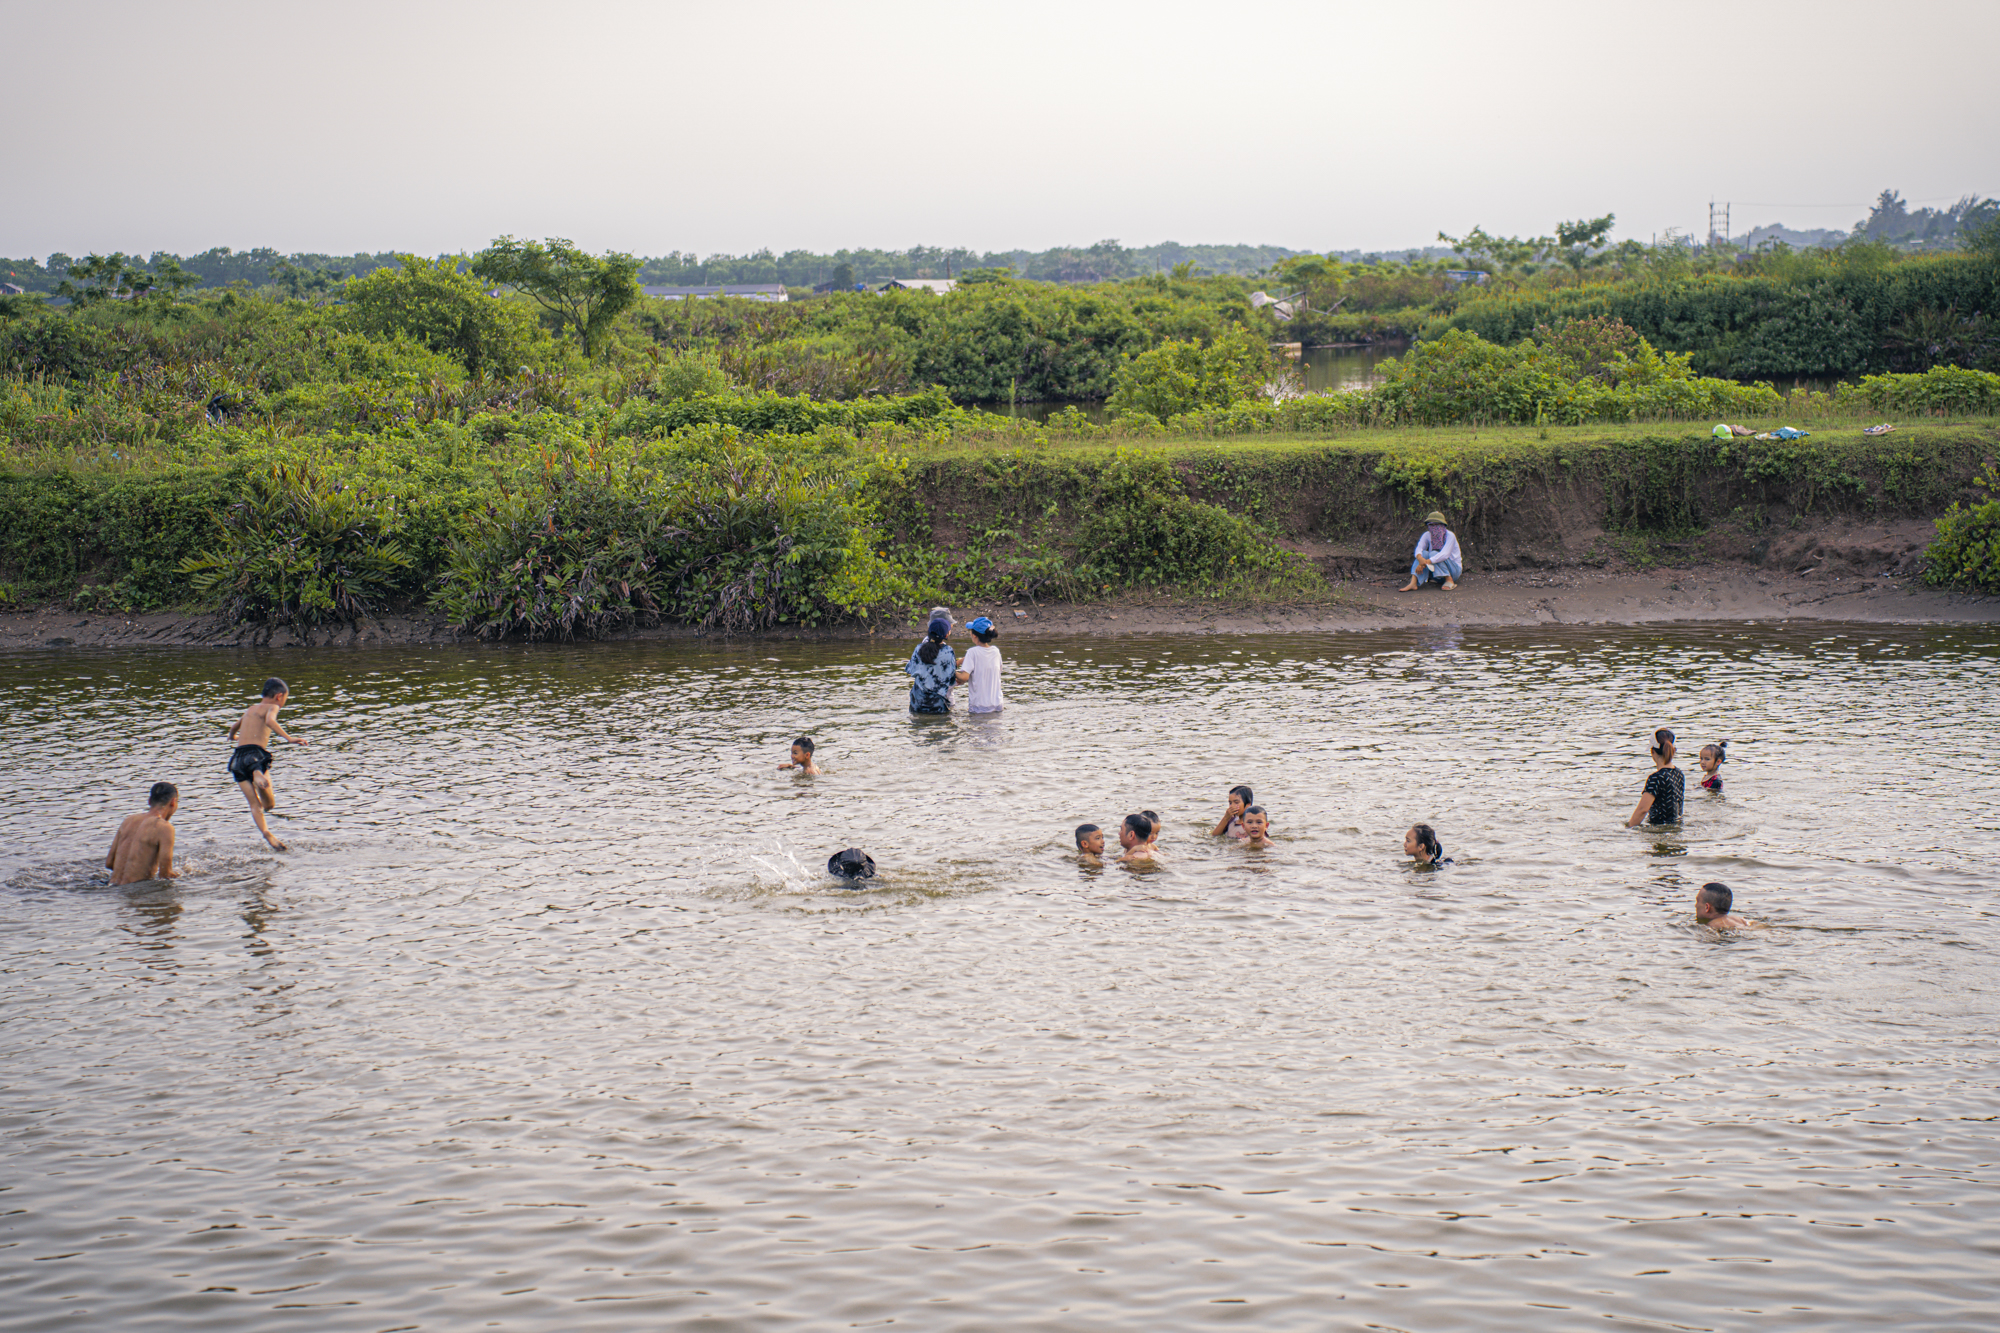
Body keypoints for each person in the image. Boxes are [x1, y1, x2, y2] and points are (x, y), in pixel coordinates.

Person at [228, 676, 305, 850]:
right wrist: (289, 738)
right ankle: (257, 773)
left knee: (257, 805)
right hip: (255, 755)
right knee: (270, 803)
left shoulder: (250, 709)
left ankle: (267, 834)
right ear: (279, 696)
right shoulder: (272, 707)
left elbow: (233, 727)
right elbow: (270, 721)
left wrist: (233, 737)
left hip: (237, 759)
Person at [106, 782, 179, 885]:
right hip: (136, 894)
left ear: (149, 801)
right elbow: (165, 875)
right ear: (173, 802)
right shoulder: (164, 828)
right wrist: (186, 874)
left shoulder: (128, 820)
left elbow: (109, 863)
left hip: (113, 888)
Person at [1627, 728, 1684, 827]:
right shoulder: (1679, 773)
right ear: (1673, 750)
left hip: (1659, 829)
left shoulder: (1656, 778)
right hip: (1676, 826)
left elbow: (1642, 810)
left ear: (1652, 751)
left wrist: (1628, 828)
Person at [906, 616, 958, 714]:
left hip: (917, 703)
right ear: (946, 635)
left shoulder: (918, 649)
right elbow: (951, 679)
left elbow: (910, 670)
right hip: (938, 705)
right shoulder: (948, 651)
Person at [1399, 511, 1462, 592]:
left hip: (1454, 571)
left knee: (1433, 553)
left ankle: (1449, 580)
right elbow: (1419, 548)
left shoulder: (1450, 536)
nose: (1434, 527)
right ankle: (1413, 583)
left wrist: (1426, 562)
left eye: (1437, 525)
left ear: (1443, 525)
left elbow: (1444, 554)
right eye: (1431, 525)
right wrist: (1420, 558)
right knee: (1424, 553)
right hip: (1436, 574)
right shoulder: (1427, 535)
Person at [956, 616, 1005, 714]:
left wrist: (950, 670)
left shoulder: (972, 652)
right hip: (998, 705)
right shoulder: (996, 651)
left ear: (974, 635)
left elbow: (964, 677)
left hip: (979, 707)